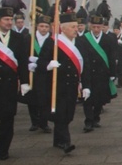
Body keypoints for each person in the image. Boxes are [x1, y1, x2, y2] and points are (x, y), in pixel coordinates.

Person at [35, 12, 88, 154]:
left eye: (77, 26)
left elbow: (86, 66)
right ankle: (65, 142)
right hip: (57, 85)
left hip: (73, 85)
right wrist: (48, 65)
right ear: (63, 29)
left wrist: (86, 86)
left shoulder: (81, 42)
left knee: (68, 115)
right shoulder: (53, 42)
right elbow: (40, 63)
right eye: (72, 27)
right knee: (61, 114)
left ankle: (58, 140)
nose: (76, 29)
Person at [0, 5, 30, 160]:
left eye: (11, 19)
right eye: (6, 19)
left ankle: (2, 150)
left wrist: (25, 81)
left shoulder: (18, 38)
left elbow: (22, 61)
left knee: (8, 119)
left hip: (9, 86)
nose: (10, 22)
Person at [77, 14, 116, 132]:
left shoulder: (108, 39)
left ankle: (96, 118)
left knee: (100, 98)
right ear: (90, 26)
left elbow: (112, 57)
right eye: (94, 27)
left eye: (98, 27)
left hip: (103, 73)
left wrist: (113, 73)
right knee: (87, 98)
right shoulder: (83, 39)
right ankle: (88, 121)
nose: (96, 29)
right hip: (88, 73)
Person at [22, 14, 53, 133]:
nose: (44, 29)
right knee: (33, 98)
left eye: (46, 26)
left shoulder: (52, 40)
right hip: (32, 73)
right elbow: (23, 55)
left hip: (46, 74)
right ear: (37, 27)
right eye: (41, 26)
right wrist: (28, 64)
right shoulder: (28, 39)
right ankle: (34, 122)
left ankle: (44, 123)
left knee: (45, 99)